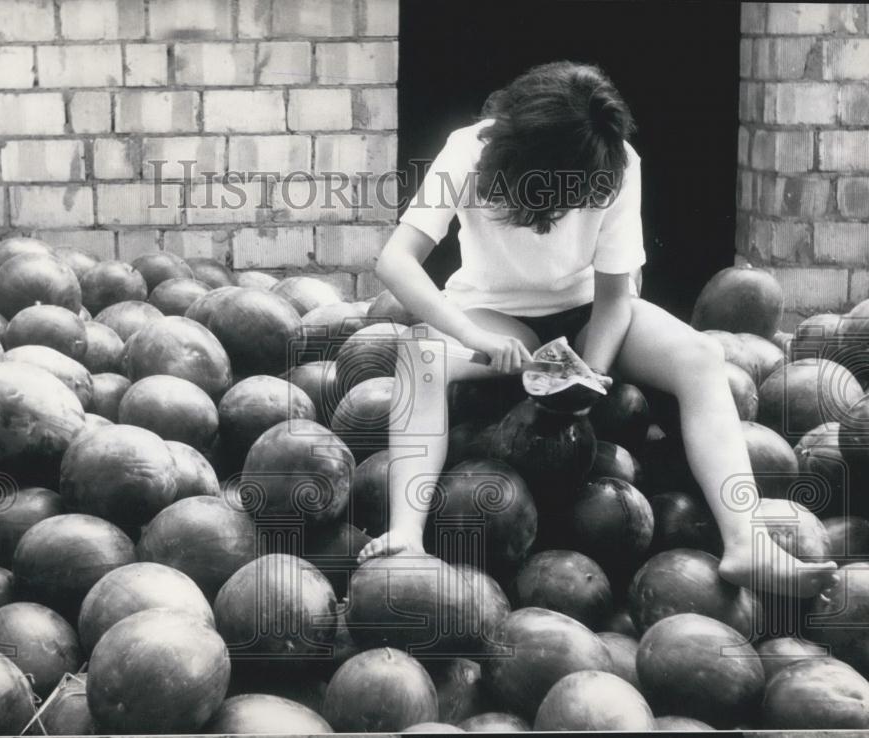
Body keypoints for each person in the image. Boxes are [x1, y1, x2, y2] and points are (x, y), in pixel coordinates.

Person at [356, 61, 837, 598]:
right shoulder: (467, 150)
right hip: (492, 312)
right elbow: (396, 261)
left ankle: (747, 541)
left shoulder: (618, 162)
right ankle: (406, 532)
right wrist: (474, 337)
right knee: (417, 359)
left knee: (700, 357)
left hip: (590, 311)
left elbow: (613, 296)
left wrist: (593, 373)